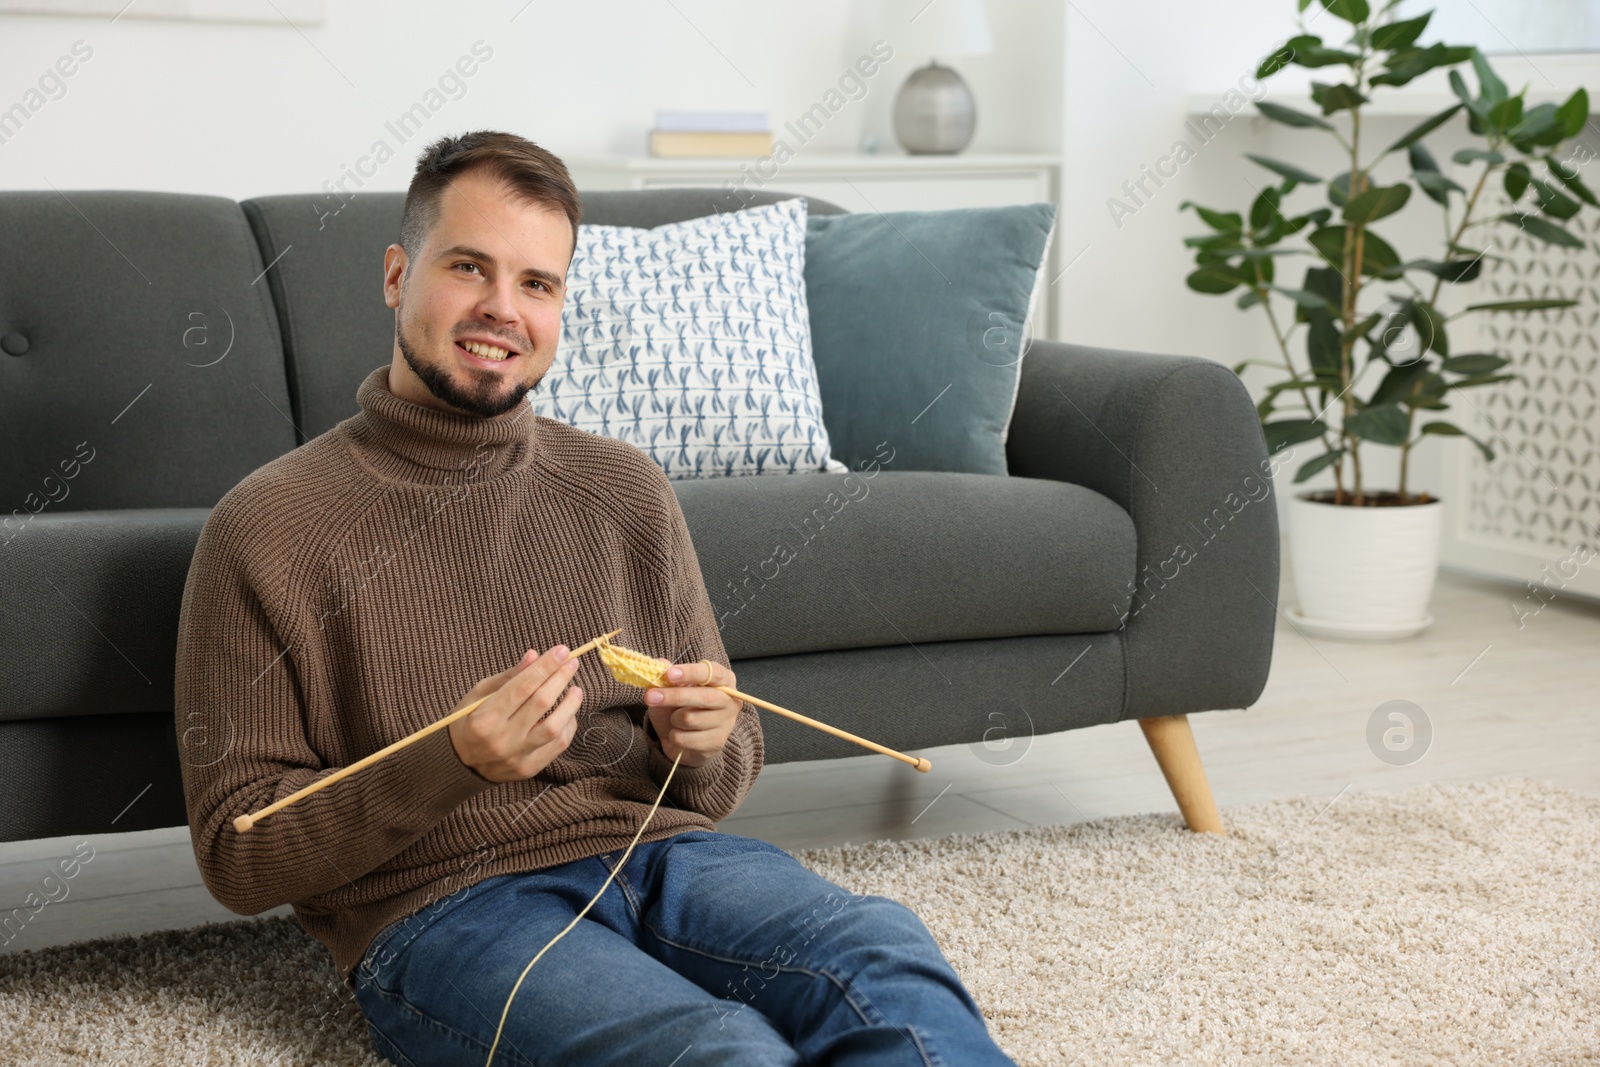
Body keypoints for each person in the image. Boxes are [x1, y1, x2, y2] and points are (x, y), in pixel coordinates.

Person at [175, 129, 1016, 1067]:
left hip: (667, 855)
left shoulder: (622, 487)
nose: (503, 310)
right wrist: (451, 759)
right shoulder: (265, 524)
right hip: (442, 908)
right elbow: (237, 855)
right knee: (717, 1049)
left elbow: (726, 767)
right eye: (469, 268)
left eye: (538, 284)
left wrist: (704, 737)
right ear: (395, 275)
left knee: (880, 958)